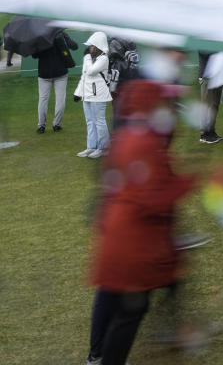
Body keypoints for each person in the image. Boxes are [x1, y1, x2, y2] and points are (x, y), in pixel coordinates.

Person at [84, 77, 197, 365]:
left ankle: (100, 354)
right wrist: (188, 183)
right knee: (128, 312)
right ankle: (103, 357)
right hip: (133, 243)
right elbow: (152, 198)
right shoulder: (144, 142)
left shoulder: (128, 136)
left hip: (121, 235)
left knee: (124, 305)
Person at [75, 32, 113, 159]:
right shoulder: (90, 58)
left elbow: (91, 71)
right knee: (90, 121)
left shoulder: (103, 58)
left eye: (91, 46)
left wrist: (86, 58)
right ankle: (91, 146)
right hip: (88, 95)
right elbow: (84, 77)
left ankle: (103, 148)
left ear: (97, 46)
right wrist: (78, 93)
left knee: (99, 121)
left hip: (99, 95)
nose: (89, 48)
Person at [33, 28, 78, 133]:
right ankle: (57, 125)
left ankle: (41, 126)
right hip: (60, 71)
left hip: (44, 72)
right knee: (60, 99)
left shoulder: (40, 35)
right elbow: (74, 46)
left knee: (43, 99)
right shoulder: (60, 33)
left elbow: (34, 55)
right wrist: (65, 37)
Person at [197, 52, 223, 144]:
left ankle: (211, 131)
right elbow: (204, 52)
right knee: (207, 105)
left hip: (218, 75)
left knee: (214, 105)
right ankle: (204, 134)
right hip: (207, 76)